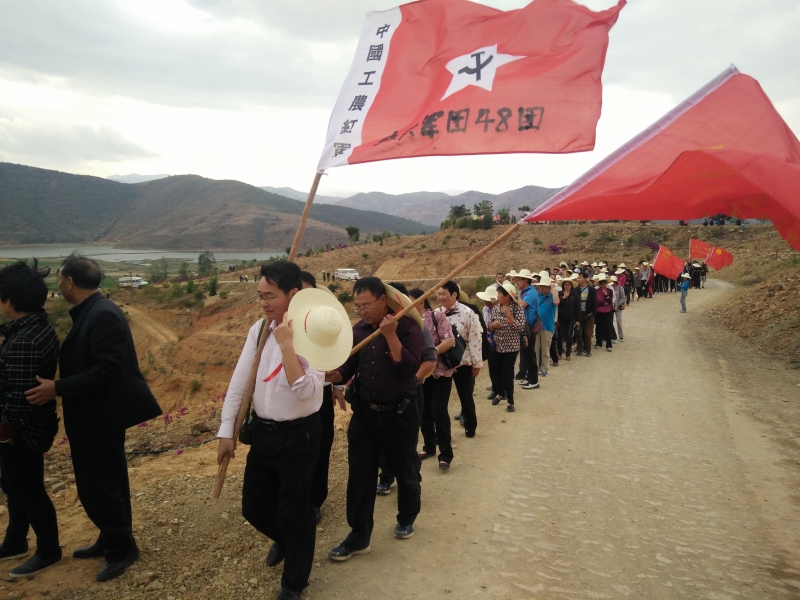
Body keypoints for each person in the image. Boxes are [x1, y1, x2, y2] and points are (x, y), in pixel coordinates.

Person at [24, 253, 161, 582]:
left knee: (97, 487)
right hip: (98, 415)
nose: (58, 284)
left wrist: (57, 388)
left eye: (60, 278)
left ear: (69, 282)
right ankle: (111, 538)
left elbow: (108, 369)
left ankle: (122, 549)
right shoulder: (95, 310)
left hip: (101, 416)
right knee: (110, 482)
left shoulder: (102, 314)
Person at [217, 261, 327, 600]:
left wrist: (287, 346)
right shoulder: (259, 329)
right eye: (260, 296)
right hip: (263, 434)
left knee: (295, 509)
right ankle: (290, 540)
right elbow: (240, 382)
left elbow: (307, 391)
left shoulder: (314, 331)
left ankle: (294, 582)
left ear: (293, 294)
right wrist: (226, 430)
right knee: (253, 507)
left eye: (270, 296)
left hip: (299, 436)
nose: (263, 303)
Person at [326, 277, 422, 561]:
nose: (362, 311)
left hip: (400, 414)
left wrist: (390, 335)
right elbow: (348, 366)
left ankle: (407, 517)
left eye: (366, 305)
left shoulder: (407, 327)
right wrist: (335, 375)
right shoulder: (358, 331)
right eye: (357, 307)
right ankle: (358, 536)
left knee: (405, 469)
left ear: (383, 300)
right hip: (365, 415)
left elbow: (410, 369)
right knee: (360, 475)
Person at [0, 261, 61, 578]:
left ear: (10, 301)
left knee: (29, 490)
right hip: (27, 427)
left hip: (22, 431)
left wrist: (4, 431)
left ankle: (48, 550)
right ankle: (15, 541)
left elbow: (19, 398)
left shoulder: (24, 340)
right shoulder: (34, 326)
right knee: (14, 485)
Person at [378, 284, 436, 491]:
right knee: (383, 439)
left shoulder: (417, 328)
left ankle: (411, 480)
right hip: (382, 396)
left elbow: (430, 359)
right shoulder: (373, 328)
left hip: (410, 395)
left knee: (407, 442)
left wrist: (411, 380)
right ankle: (386, 476)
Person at [300, 272, 343, 524]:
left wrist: (339, 385)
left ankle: (315, 500)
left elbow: (339, 354)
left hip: (322, 393)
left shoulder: (325, 321)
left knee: (321, 446)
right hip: (294, 398)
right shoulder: (283, 324)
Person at [416, 287, 457, 467]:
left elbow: (450, 340)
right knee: (424, 412)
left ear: (420, 301)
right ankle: (429, 446)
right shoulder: (409, 321)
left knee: (439, 412)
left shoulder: (436, 316)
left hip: (440, 372)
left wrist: (431, 352)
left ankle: (445, 454)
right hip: (422, 374)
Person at [436, 282, 482, 438]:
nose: (440, 297)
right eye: (439, 294)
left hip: (463, 363)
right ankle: (443, 434)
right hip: (444, 364)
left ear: (454, 294)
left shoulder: (468, 313)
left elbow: (475, 339)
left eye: (443, 294)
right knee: (441, 401)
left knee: (466, 396)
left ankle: (470, 426)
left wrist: (476, 364)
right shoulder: (437, 314)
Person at [486, 282, 525, 412]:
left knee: (507, 374)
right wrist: (493, 325)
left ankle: (510, 402)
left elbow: (521, 327)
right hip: (497, 345)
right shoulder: (496, 308)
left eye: (499, 294)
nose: (497, 296)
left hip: (511, 347)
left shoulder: (517, 308)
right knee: (495, 372)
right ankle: (500, 393)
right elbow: (489, 326)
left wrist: (509, 315)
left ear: (507, 296)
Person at [515, 270, 539, 390]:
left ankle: (534, 380)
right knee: (525, 353)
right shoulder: (525, 291)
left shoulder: (531, 292)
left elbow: (522, 305)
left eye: (519, 280)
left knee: (530, 354)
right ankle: (529, 377)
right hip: (524, 326)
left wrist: (519, 295)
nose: (517, 282)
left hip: (529, 326)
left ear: (525, 281)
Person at [534, 273, 559, 377]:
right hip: (536, 326)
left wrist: (553, 289)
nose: (543, 288)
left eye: (545, 286)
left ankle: (544, 369)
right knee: (535, 349)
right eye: (542, 286)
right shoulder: (537, 295)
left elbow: (556, 302)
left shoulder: (553, 296)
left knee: (545, 350)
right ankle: (535, 369)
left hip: (547, 326)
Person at [557, 277, 579, 362]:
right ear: (563, 285)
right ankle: (559, 353)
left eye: (569, 285)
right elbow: (557, 304)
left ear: (571, 286)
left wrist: (577, 320)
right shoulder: (559, 293)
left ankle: (568, 354)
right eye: (565, 285)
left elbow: (577, 307)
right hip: (561, 318)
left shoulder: (574, 294)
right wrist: (563, 297)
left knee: (569, 335)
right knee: (560, 335)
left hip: (571, 318)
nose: (567, 286)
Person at [575, 272, 597, 358]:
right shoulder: (575, 290)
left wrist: (593, 313)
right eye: (578, 278)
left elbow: (594, 302)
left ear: (585, 279)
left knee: (588, 333)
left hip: (589, 315)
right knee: (578, 333)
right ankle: (580, 349)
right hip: (579, 315)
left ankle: (588, 350)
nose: (578, 279)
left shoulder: (591, 290)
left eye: (580, 278)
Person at [594, 275, 614, 352]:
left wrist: (606, 294)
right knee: (598, 327)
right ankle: (598, 343)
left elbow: (610, 301)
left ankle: (609, 345)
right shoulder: (596, 291)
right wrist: (603, 303)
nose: (602, 284)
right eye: (601, 283)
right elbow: (596, 302)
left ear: (606, 283)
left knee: (608, 328)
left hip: (608, 311)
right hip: (598, 311)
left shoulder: (610, 291)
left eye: (604, 283)